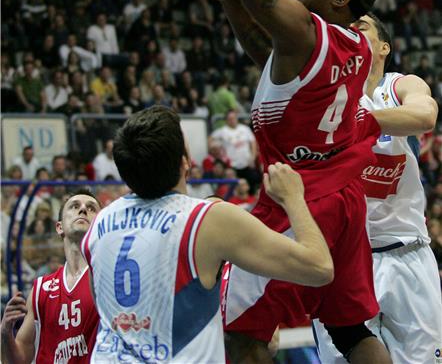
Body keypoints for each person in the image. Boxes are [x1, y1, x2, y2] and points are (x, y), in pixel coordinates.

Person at [188, 0, 391, 363]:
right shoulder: (352, 45)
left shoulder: (307, 31)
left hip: (301, 200)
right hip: (345, 199)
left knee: (244, 333)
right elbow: (267, 52)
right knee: (351, 331)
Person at [81, 106, 333, 363]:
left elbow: (105, 302)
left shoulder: (99, 222)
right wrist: (293, 198)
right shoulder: (207, 219)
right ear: (185, 162)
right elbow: (319, 267)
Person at [313, 13, 441, 364]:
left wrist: (361, 122)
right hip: (345, 260)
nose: (353, 29)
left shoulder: (398, 86)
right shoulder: (326, 97)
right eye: (347, 28)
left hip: (406, 253)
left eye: (363, 26)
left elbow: (425, 116)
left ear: (383, 47)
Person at [0, 190, 101, 363]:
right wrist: (5, 332)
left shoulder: (106, 278)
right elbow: (18, 360)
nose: (83, 209)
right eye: (75, 206)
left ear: (100, 225)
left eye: (91, 208)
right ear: (59, 227)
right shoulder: (41, 289)